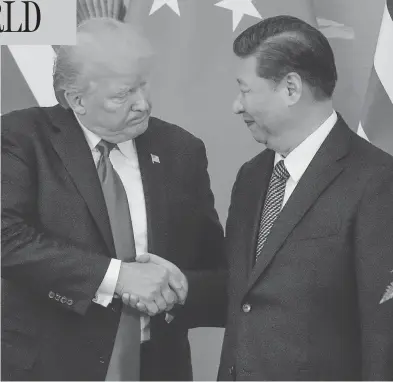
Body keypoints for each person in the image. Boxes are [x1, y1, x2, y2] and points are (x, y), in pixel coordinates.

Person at [1, 18, 226, 381]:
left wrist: (180, 288)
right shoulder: (21, 138)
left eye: (142, 86)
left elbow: (217, 271)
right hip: (50, 367)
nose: (143, 104)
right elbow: (6, 239)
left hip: (156, 368)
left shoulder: (181, 150)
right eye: (122, 95)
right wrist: (118, 278)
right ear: (77, 100)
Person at [218, 15, 393, 381]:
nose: (236, 106)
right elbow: (245, 293)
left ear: (291, 88)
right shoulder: (251, 177)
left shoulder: (378, 181)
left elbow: (384, 335)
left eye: (245, 90)